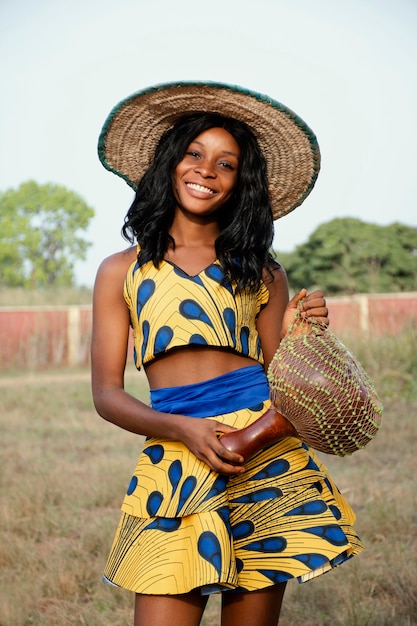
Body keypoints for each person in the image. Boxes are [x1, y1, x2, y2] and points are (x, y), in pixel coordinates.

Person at [91, 82, 364, 626]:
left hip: (261, 455)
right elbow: (106, 395)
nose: (206, 170)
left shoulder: (263, 271)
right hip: (176, 459)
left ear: (242, 182)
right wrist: (180, 429)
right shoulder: (122, 270)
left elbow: (289, 386)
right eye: (194, 154)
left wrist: (302, 336)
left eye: (226, 163)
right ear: (170, 164)